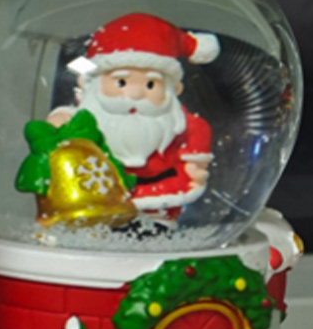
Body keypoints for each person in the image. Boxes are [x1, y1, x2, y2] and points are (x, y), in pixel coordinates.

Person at [48, 12, 219, 223]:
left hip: (161, 193)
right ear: (91, 83)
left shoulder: (179, 122)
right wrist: (59, 122)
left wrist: (194, 168)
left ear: (173, 89)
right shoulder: (88, 116)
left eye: (150, 85)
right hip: (99, 196)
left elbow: (195, 141)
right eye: (121, 82)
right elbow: (67, 121)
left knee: (157, 225)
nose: (136, 95)